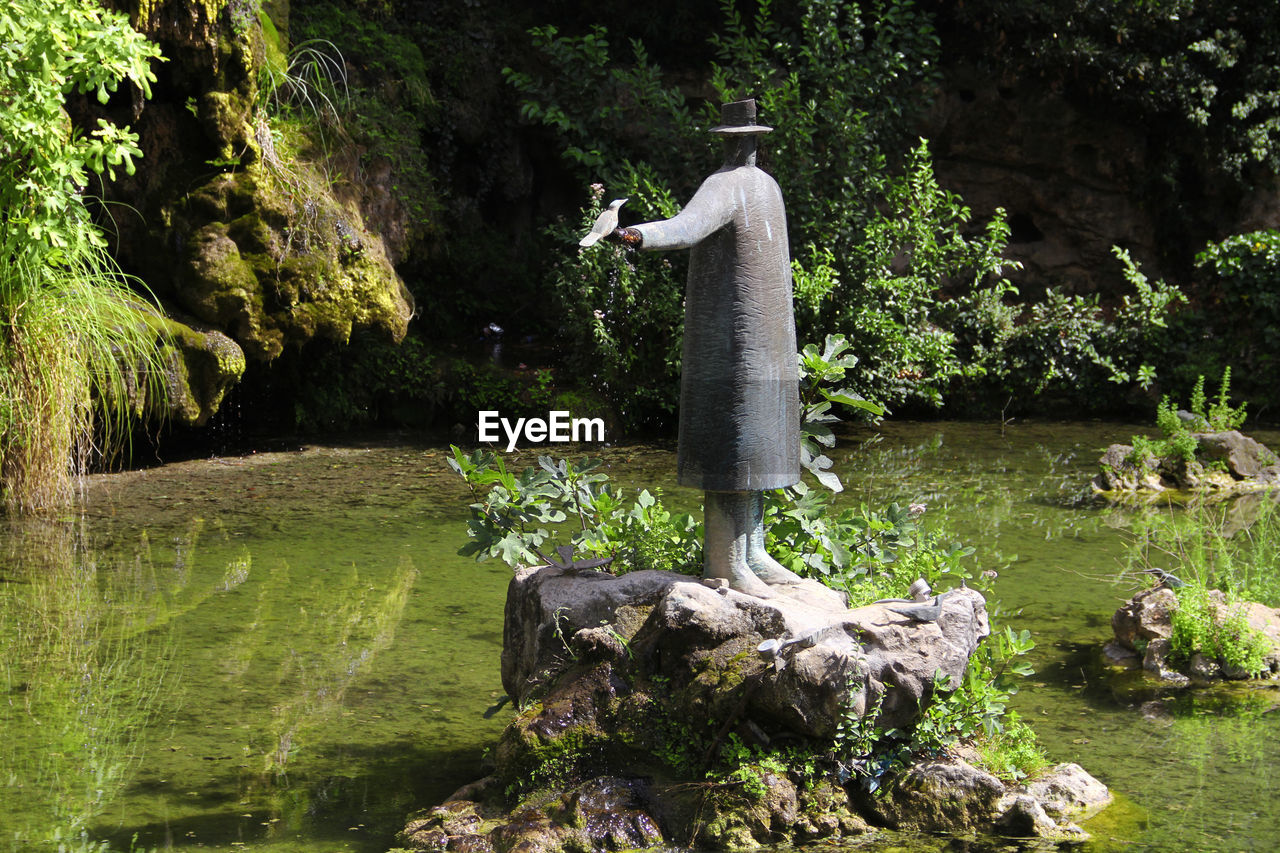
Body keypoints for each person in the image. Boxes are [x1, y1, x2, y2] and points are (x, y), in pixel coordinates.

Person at [611, 98, 807, 598]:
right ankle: (725, 560)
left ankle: (754, 553)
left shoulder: (767, 187)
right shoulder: (723, 186)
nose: (744, 145)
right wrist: (638, 235)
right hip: (731, 339)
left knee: (759, 443)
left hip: (767, 335)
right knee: (730, 444)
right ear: (730, 140)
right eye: (739, 138)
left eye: (748, 138)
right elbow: (687, 226)